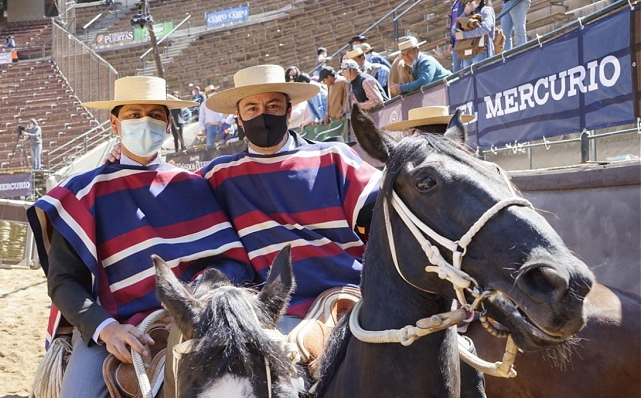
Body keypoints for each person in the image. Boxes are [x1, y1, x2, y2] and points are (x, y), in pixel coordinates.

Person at [26, 75, 253, 398]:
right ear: (115, 124)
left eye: (155, 115)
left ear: (167, 123)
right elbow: (64, 282)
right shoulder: (82, 195)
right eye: (134, 115)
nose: (144, 123)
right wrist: (107, 330)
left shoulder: (194, 186)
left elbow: (233, 263)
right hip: (116, 328)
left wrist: (194, 303)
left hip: (198, 321)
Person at [199, 64, 381, 332]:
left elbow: (384, 215)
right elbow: (162, 187)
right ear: (238, 117)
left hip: (351, 298)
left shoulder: (334, 157)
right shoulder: (218, 176)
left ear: (287, 110)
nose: (262, 115)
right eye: (252, 108)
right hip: (273, 314)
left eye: (273, 106)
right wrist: (116, 158)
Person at [388, 36, 452, 96]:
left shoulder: (427, 61)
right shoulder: (408, 65)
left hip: (451, 88)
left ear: (417, 50)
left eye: (409, 53)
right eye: (403, 54)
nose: (406, 57)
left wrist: (401, 88)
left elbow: (423, 82)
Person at [454, 0, 495, 68]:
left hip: (481, 51)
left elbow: (486, 28)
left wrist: (464, 35)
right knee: (468, 77)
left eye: (470, 1)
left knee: (481, 76)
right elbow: (454, 30)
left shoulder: (486, 10)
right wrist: (465, 14)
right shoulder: (466, 14)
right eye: (466, 2)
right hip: (467, 52)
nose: (467, 4)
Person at [449, 0, 469, 73]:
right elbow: (452, 22)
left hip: (464, 41)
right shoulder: (455, 4)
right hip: (455, 43)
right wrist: (451, 41)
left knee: (465, 69)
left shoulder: (466, 2)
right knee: (456, 71)